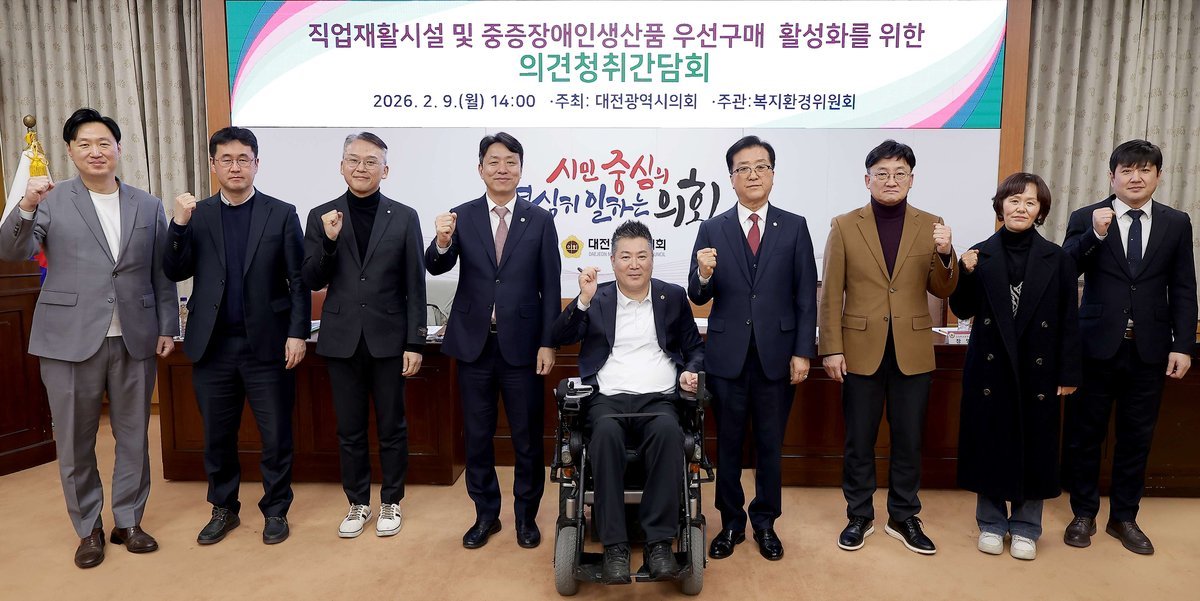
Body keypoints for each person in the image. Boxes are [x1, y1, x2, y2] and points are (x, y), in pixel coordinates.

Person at [0, 108, 177, 568]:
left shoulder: (147, 204)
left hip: (134, 336)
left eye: (104, 143)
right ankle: (88, 529)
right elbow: (12, 250)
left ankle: (129, 521)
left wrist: (167, 325)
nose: (95, 151)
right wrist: (26, 205)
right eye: (85, 144)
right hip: (68, 340)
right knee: (76, 441)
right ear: (70, 151)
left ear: (118, 148)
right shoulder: (50, 199)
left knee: (134, 435)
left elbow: (161, 272)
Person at [163, 126, 310, 545]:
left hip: (268, 344)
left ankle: (276, 510)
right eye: (226, 159)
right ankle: (224, 509)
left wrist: (297, 333)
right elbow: (174, 269)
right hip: (213, 345)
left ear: (256, 164)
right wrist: (179, 225)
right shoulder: (198, 214)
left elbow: (298, 281)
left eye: (243, 159)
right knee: (217, 436)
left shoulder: (281, 213)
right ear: (213, 165)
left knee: (276, 435)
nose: (235, 167)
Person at [819, 139, 957, 555]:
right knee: (859, 440)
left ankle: (903, 515)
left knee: (909, 439)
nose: (891, 180)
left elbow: (942, 288)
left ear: (912, 180)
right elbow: (831, 293)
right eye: (882, 173)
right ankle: (859, 515)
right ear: (868, 180)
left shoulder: (931, 224)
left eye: (900, 173)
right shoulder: (845, 225)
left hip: (912, 350)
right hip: (859, 349)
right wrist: (831, 348)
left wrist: (946, 253)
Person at [425, 132, 561, 550]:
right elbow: (436, 265)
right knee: (478, 436)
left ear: (521, 169)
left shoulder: (539, 219)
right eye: (494, 162)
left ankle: (525, 517)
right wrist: (442, 241)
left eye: (510, 162)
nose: (503, 169)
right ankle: (486, 515)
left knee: (527, 438)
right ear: (480, 168)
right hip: (474, 345)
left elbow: (551, 285)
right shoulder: (461, 216)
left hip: (523, 346)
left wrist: (548, 342)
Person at [1061, 139, 1196, 555]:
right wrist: (1095, 235)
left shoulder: (1176, 222)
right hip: (1095, 346)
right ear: (1112, 176)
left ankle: (1124, 517)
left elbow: (1184, 286)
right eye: (1127, 170)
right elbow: (1064, 269)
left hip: (1149, 349)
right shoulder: (1087, 217)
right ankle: (1083, 513)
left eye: (1144, 170)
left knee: (1137, 437)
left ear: (1158, 176)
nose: (1135, 177)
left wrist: (1183, 344)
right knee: (1085, 435)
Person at [687, 135, 818, 561]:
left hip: (777, 356)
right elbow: (697, 294)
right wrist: (703, 274)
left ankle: (765, 523)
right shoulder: (713, 228)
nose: (753, 175)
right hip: (727, 357)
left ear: (773, 174)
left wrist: (802, 351)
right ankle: (730, 523)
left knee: (769, 446)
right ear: (731, 178)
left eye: (761, 166)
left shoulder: (794, 226)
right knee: (726, 445)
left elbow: (805, 295)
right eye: (743, 168)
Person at [552, 220, 704, 583]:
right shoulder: (598, 296)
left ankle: (659, 545)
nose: (634, 264)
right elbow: (560, 335)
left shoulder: (672, 296)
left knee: (669, 433)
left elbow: (694, 349)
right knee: (604, 436)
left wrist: (691, 371)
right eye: (625, 257)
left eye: (641, 256)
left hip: (659, 398)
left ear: (653, 258)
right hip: (608, 398)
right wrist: (583, 300)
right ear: (613, 260)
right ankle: (615, 547)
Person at [949, 173, 1080, 561]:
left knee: (1036, 444)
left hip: (1039, 369)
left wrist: (1068, 372)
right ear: (1000, 205)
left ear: (1040, 211)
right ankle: (991, 523)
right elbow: (962, 309)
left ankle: (1026, 527)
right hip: (990, 368)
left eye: (1030, 202)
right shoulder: (979, 253)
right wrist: (964, 273)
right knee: (989, 441)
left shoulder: (1058, 258)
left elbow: (1068, 319)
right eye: (1014, 200)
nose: (1021, 208)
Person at [301, 132, 426, 539]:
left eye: (371, 161)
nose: (361, 167)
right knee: (350, 429)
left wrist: (414, 342)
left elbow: (415, 283)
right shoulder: (322, 216)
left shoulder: (404, 216)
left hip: (389, 338)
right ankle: (357, 502)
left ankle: (391, 500)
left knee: (392, 426)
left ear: (385, 170)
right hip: (341, 339)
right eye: (353, 160)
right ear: (341, 166)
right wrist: (330, 242)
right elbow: (312, 278)